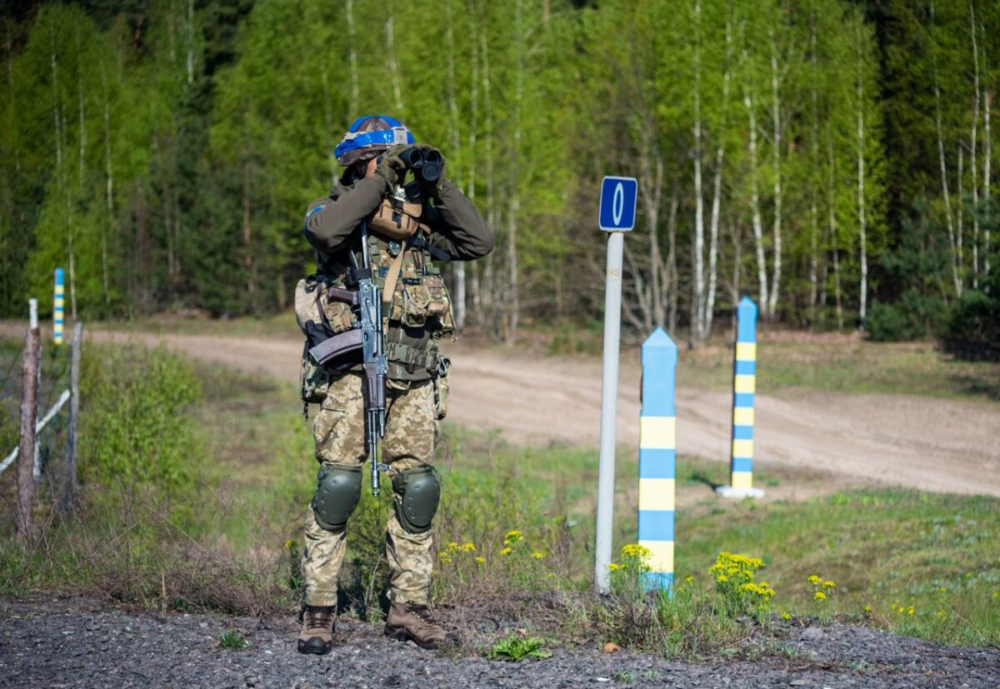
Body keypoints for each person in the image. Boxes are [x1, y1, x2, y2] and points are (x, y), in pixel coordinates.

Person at [294, 115, 493, 655]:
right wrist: (380, 177)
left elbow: (479, 241)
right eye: (382, 160)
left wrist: (438, 184)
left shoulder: (416, 221)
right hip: (350, 374)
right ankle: (319, 608)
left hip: (415, 374)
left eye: (397, 161)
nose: (396, 171)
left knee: (419, 489)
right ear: (359, 164)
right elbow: (326, 233)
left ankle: (409, 607)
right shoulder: (334, 211)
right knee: (339, 487)